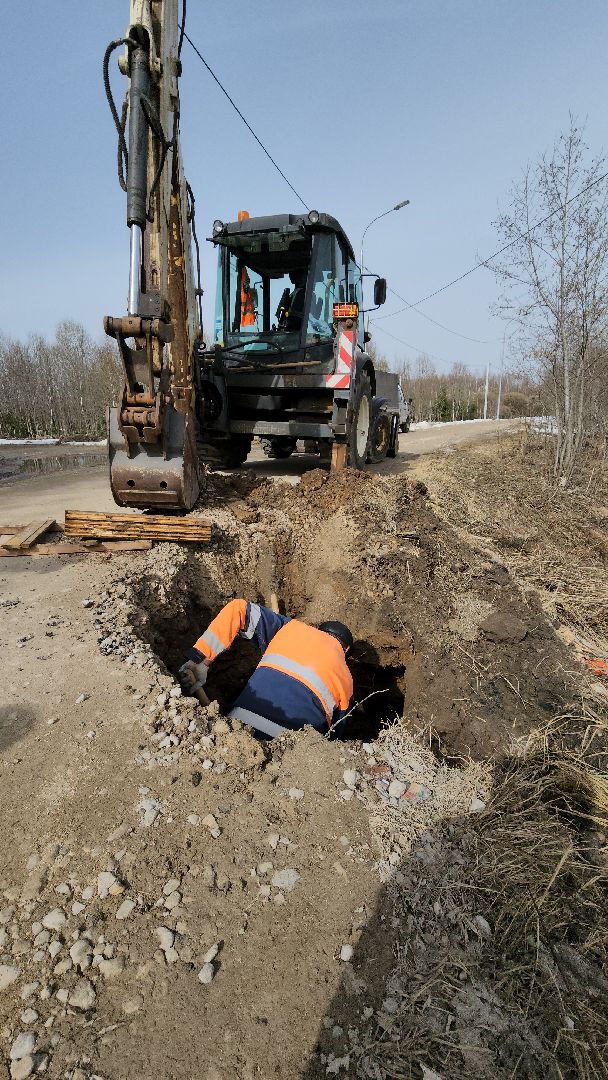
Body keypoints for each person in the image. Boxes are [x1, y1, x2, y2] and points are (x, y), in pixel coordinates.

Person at [179, 600, 354, 739]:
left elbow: (238, 609)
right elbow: (334, 736)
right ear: (345, 650)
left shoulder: (291, 628)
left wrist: (200, 659)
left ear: (318, 630)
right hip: (293, 751)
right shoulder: (347, 679)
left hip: (238, 728)